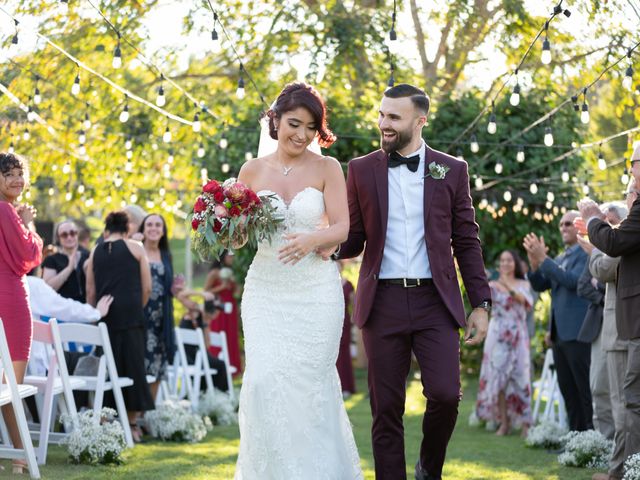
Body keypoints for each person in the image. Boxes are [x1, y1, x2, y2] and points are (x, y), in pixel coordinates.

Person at [337, 84, 491, 480]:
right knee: (385, 408)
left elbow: (467, 240)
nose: (384, 124)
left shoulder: (452, 169)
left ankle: (428, 468)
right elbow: (353, 238)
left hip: (434, 302)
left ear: (419, 121)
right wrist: (323, 245)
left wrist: (481, 304)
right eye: (382, 115)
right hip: (381, 302)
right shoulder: (359, 169)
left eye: (394, 117)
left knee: (444, 395)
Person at [235, 82, 362, 478]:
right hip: (266, 290)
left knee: (310, 388)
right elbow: (241, 238)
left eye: (311, 127)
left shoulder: (328, 168)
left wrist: (312, 238)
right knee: (262, 382)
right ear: (274, 121)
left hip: (315, 293)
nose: (302, 134)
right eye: (294, 123)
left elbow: (343, 227)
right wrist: (226, 224)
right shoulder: (251, 171)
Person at [578, 149, 640, 480]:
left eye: (633, 170)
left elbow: (608, 262)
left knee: (627, 404)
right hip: (624, 327)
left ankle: (622, 471)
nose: (631, 178)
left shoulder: (632, 221)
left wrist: (593, 225)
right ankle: (623, 469)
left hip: (627, 327)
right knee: (620, 402)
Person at [85, 211, 154, 443]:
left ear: (107, 228)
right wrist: (138, 306)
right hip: (132, 316)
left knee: (108, 368)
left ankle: (107, 421)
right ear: (126, 228)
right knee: (134, 368)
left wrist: (95, 313)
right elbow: (147, 288)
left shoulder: (96, 251)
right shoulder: (136, 247)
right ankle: (132, 424)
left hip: (107, 318)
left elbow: (91, 291)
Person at [524, 211, 592, 432]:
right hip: (559, 334)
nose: (563, 227)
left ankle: (590, 438)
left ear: (580, 226)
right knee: (567, 390)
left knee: (584, 390)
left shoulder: (586, 254)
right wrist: (535, 264)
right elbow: (539, 285)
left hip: (578, 332)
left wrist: (544, 259)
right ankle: (574, 439)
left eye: (568, 223)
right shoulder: (561, 258)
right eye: (561, 224)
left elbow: (572, 282)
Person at [581, 188, 630, 480]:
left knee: (622, 404)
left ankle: (620, 471)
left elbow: (602, 268)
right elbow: (584, 283)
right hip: (611, 328)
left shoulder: (623, 238)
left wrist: (597, 247)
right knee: (610, 398)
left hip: (620, 329)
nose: (604, 229)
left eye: (609, 223)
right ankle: (616, 465)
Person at [0, 152, 43, 474]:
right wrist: (28, 223)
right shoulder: (6, 211)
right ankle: (19, 456)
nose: (16, 179)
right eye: (8, 174)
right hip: (10, 299)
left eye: (19, 173)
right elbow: (29, 257)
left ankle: (17, 454)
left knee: (5, 387)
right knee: (12, 386)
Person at [475, 250, 533, 437]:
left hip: (518, 334)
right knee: (498, 379)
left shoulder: (523, 283)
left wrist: (507, 286)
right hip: (497, 335)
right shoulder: (491, 286)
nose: (505, 263)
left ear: (515, 263)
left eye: (509, 260)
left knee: (520, 378)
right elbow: (482, 303)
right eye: (502, 261)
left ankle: (525, 424)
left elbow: (526, 303)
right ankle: (504, 423)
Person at [576, 219, 613, 440]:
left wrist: (598, 285)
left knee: (616, 392)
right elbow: (583, 284)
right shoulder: (596, 253)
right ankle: (602, 442)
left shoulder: (617, 247)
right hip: (597, 325)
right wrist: (603, 294)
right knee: (597, 387)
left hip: (620, 323)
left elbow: (603, 279)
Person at [139, 214, 179, 402]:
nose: (153, 228)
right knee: (140, 365)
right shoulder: (136, 250)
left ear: (163, 231)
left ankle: (148, 414)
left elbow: (168, 287)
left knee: (157, 366)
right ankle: (135, 415)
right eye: (149, 225)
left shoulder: (166, 255)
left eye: (158, 225)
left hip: (161, 320)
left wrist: (176, 288)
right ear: (143, 229)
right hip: (140, 317)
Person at [204, 252, 242, 376]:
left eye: (233, 256)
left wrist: (236, 287)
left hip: (230, 310)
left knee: (231, 336)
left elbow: (235, 291)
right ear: (223, 256)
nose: (232, 258)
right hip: (218, 310)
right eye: (230, 255)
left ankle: (231, 370)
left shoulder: (231, 272)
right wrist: (222, 287)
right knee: (219, 334)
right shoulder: (215, 273)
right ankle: (216, 368)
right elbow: (206, 291)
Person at [42, 220, 89, 303]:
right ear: (58, 238)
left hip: (84, 310)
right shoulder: (51, 260)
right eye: (64, 235)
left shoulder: (87, 256)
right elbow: (48, 289)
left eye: (72, 233)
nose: (69, 237)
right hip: (61, 311)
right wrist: (69, 268)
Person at [336, 260, 356, 397]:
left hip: (345, 322)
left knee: (344, 354)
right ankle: (335, 386)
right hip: (331, 321)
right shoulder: (328, 284)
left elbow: (354, 304)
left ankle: (347, 387)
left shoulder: (348, 284)